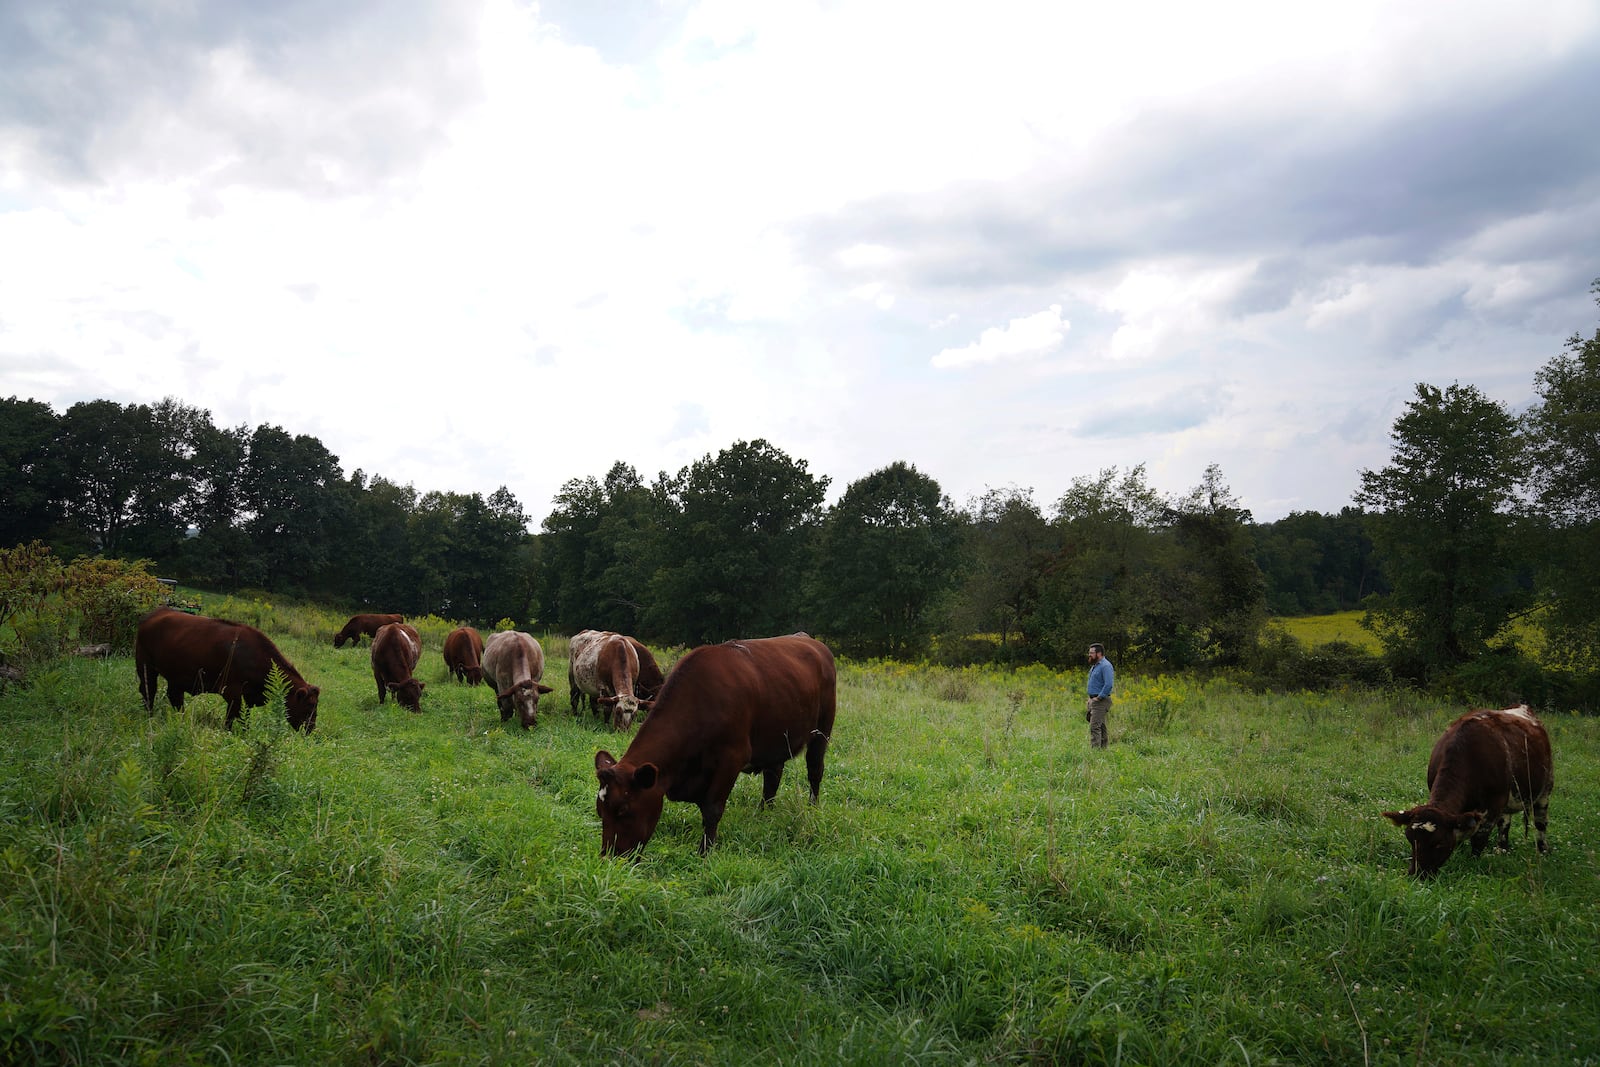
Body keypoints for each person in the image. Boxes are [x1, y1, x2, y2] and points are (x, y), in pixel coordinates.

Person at [1085, 643, 1114, 749]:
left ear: (1099, 653)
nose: (1089, 655)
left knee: (1094, 726)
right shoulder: (1095, 665)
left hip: (1101, 700)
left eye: (1092, 653)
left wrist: (1098, 697)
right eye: (1089, 652)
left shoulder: (1105, 666)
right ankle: (1103, 749)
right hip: (1094, 699)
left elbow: (1108, 684)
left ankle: (1095, 751)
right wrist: (1090, 698)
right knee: (1100, 725)